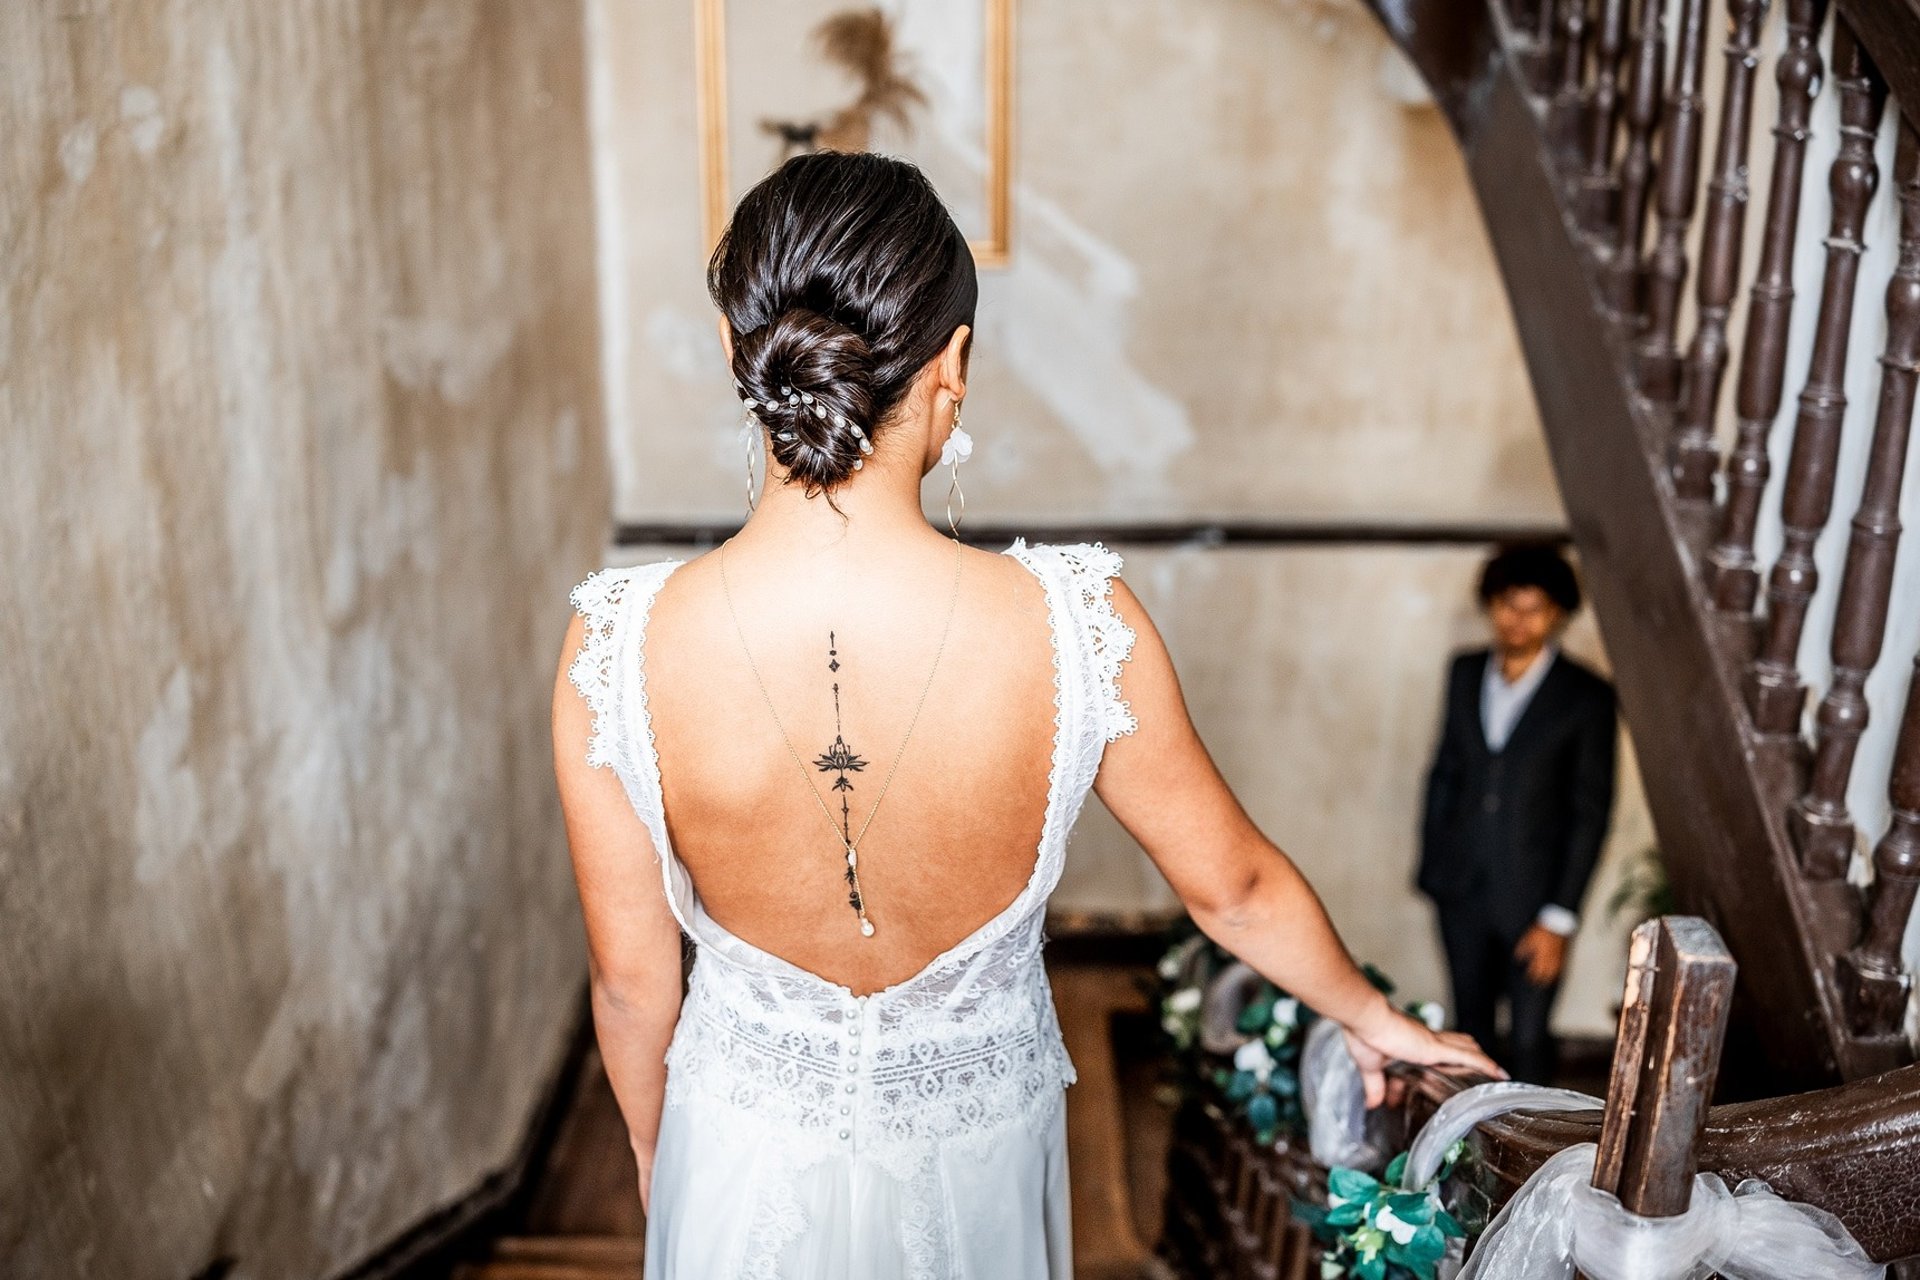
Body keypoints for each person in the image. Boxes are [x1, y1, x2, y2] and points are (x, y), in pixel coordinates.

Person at [552, 151, 1499, 1278]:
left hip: (736, 1155)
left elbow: (631, 983)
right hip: (978, 1163)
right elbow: (1233, 890)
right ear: (953, 364)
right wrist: (1371, 1018)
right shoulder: (1077, 624)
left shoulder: (614, 642)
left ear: (733, 349)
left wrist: (660, 1157)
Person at [1417, 544, 1618, 1085]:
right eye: (1509, 604)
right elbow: (1445, 772)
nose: (1519, 620)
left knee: (1529, 1037)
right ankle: (1470, 1134)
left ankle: (1528, 1137)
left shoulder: (1587, 696)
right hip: (1460, 888)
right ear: (1491, 604)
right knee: (1470, 1029)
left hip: (1535, 900)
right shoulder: (1464, 673)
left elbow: (1590, 811)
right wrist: (1435, 868)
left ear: (1558, 614)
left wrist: (1559, 917)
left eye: (1535, 608)